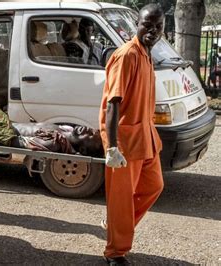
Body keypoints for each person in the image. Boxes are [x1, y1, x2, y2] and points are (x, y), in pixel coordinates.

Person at [98, 4, 165, 265]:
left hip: (146, 137)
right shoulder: (127, 55)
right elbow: (113, 103)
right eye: (147, 25)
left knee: (154, 186)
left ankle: (116, 223)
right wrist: (112, 147)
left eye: (158, 26)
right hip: (124, 142)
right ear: (136, 25)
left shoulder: (147, 54)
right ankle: (115, 252)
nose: (152, 30)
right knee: (121, 199)